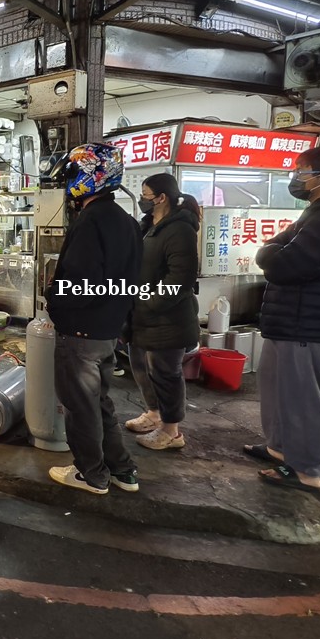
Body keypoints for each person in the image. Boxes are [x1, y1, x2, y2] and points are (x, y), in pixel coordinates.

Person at [246, 147, 320, 494]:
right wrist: (272, 251)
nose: (295, 177)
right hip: (289, 322)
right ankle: (279, 448)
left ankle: (306, 470)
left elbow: (286, 265)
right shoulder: (318, 212)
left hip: (310, 324)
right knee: (277, 391)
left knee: (304, 399)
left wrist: (270, 252)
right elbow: (275, 249)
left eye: (302, 170)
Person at [44, 143, 142, 495]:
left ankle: (92, 474)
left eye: (71, 174)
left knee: (80, 407)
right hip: (108, 330)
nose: (67, 181)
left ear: (88, 176)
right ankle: (122, 470)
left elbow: (80, 284)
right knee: (99, 402)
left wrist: (55, 305)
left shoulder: (90, 222)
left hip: (81, 332)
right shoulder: (128, 222)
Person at [124, 173, 200, 451]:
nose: (143, 200)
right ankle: (154, 414)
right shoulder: (148, 226)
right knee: (142, 368)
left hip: (167, 317)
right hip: (141, 314)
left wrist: (149, 303)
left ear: (161, 197)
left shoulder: (179, 229)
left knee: (165, 372)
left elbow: (180, 278)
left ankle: (171, 431)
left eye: (145, 194)